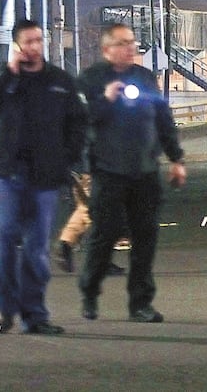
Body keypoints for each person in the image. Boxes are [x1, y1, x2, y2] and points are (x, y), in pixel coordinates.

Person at [77, 23, 187, 324]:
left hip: (145, 171)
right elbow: (80, 121)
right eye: (123, 43)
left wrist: (176, 158)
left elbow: (163, 119)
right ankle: (90, 289)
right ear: (107, 49)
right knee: (105, 234)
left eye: (132, 43)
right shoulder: (91, 79)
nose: (130, 48)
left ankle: (140, 303)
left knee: (145, 236)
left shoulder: (145, 78)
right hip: (108, 171)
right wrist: (105, 100)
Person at [0, 19, 88, 334]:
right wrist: (10, 74)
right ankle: (6, 310)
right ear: (17, 46)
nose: (35, 46)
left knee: (36, 247)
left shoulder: (59, 80)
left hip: (44, 178)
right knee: (4, 240)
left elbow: (78, 122)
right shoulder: (3, 78)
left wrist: (67, 159)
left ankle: (34, 316)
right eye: (28, 42)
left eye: (38, 40)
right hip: (6, 174)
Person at [55, 172, 126, 276]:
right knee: (96, 212)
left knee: (85, 207)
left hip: (85, 170)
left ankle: (65, 244)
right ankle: (101, 263)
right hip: (97, 170)